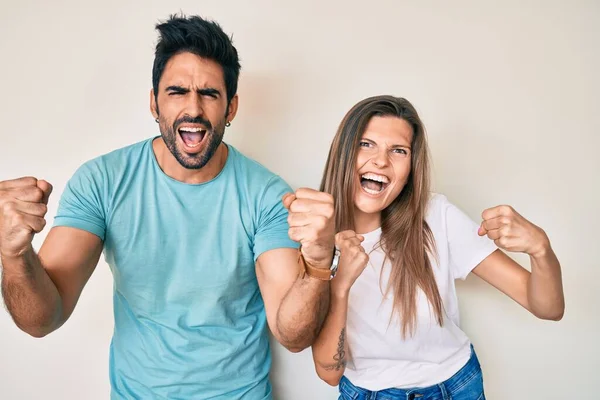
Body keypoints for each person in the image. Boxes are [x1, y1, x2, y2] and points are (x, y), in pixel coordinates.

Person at [0, 14, 338, 399]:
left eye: (210, 94)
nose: (193, 109)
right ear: (154, 103)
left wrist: (316, 266)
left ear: (231, 108)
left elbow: (292, 335)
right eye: (177, 91)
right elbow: (42, 319)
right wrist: (14, 254)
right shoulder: (103, 181)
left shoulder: (267, 195)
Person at [310, 95, 565, 399]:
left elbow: (548, 308)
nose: (381, 160)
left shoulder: (436, 216)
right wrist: (340, 286)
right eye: (366, 144)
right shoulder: (316, 234)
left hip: (456, 388)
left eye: (398, 150)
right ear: (342, 154)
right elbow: (328, 373)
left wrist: (541, 249)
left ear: (410, 171)